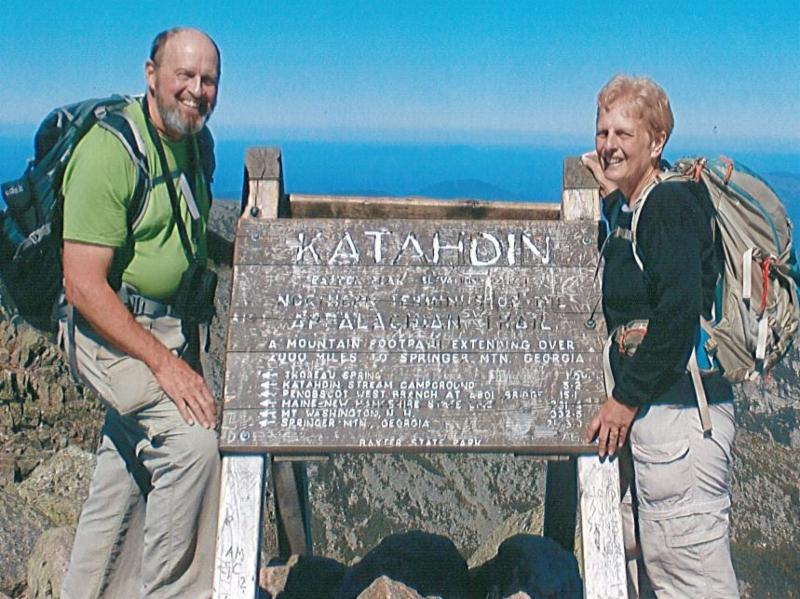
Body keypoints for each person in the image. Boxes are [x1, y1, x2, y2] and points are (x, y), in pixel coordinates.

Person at [59, 27, 221, 598]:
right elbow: (81, 285)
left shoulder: (195, 146)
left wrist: (258, 255)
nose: (196, 90)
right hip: (110, 330)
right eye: (184, 75)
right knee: (194, 442)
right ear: (151, 75)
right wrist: (165, 365)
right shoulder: (110, 151)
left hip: (165, 332)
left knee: (126, 460)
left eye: (207, 80)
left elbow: (186, 237)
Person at [581, 75, 739, 598]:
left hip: (680, 426)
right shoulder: (641, 206)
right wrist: (611, 192)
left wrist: (623, 402)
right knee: (658, 575)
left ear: (658, 141)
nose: (608, 145)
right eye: (603, 132)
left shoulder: (667, 208)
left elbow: (675, 321)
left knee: (691, 582)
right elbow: (640, 269)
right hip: (666, 422)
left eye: (624, 133)